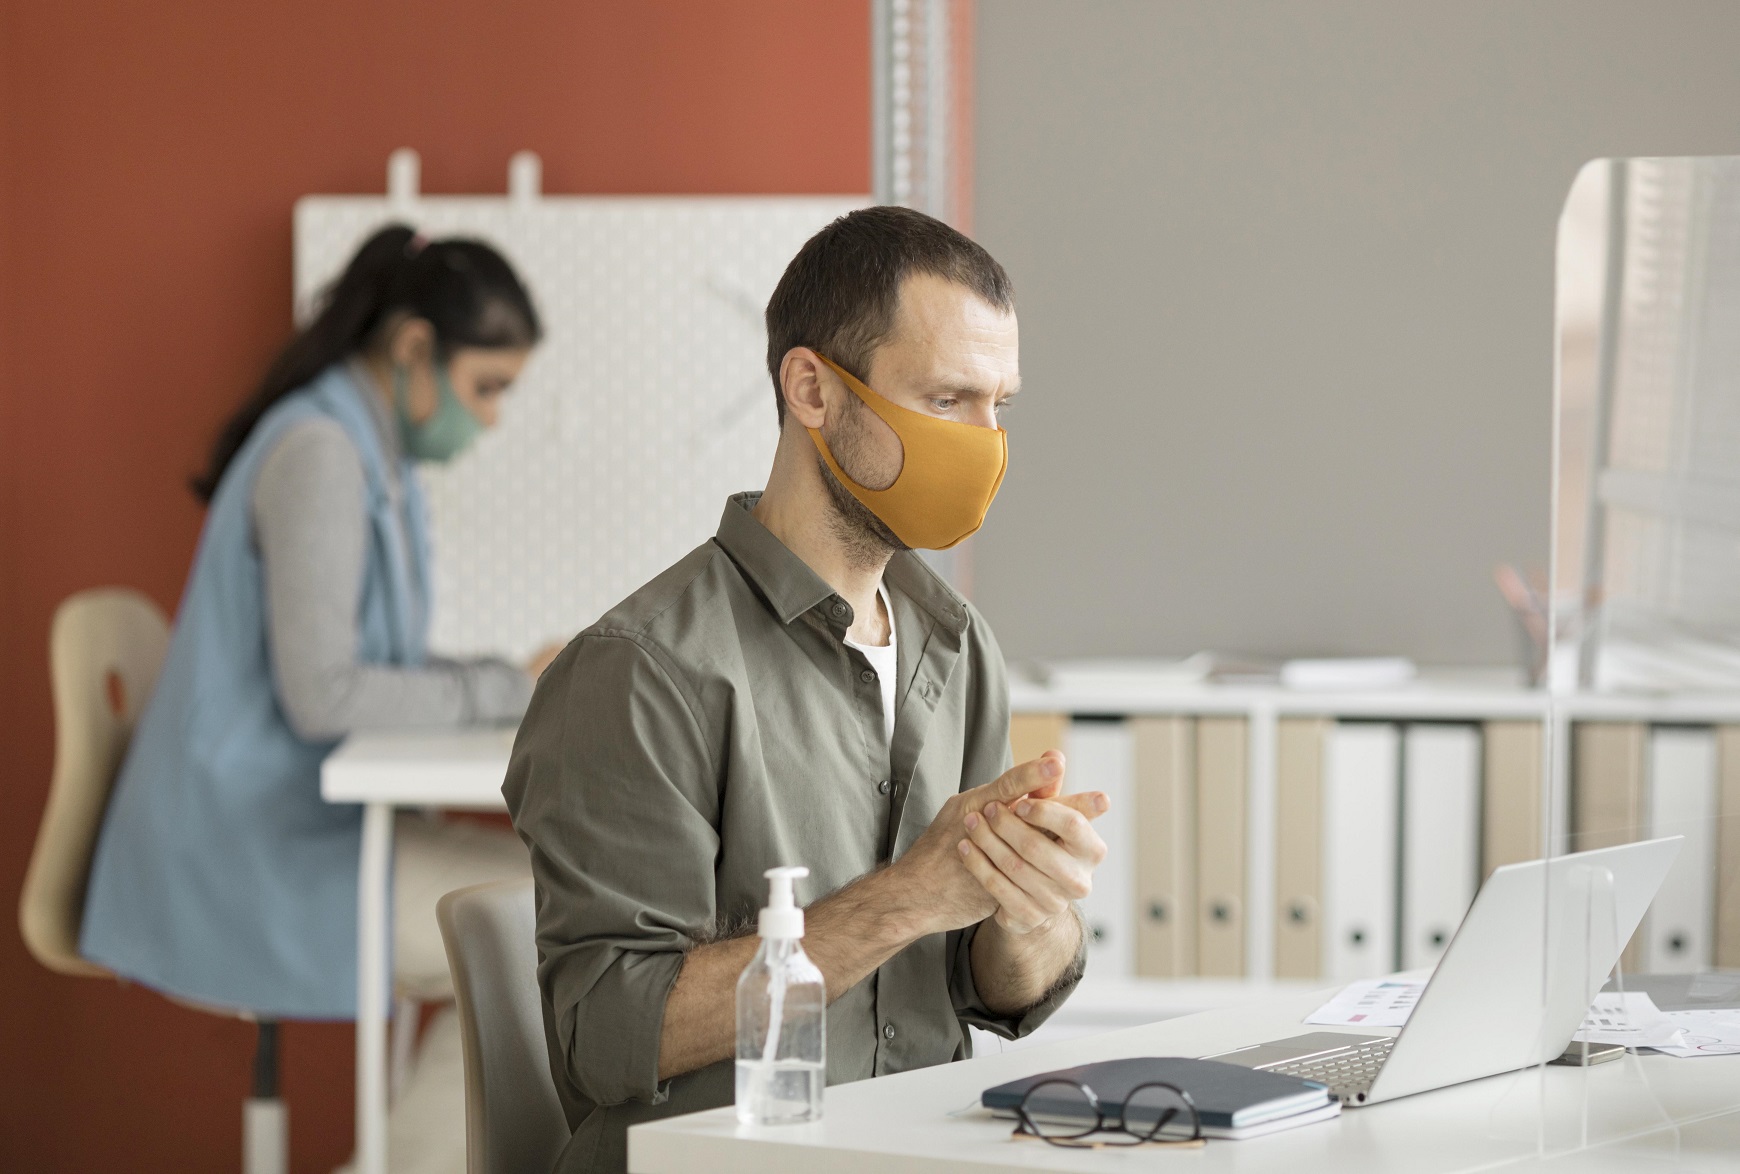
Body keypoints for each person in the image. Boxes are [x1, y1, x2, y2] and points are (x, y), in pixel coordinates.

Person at [505, 206, 1109, 1174]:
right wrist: (906, 898)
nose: (985, 442)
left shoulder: (959, 646)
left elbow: (986, 990)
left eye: (1000, 404)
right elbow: (607, 1034)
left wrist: (1028, 910)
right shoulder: (642, 670)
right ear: (813, 388)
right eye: (947, 399)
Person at [81, 225, 561, 1173]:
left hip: (299, 828)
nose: (493, 418)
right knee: (556, 930)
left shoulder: (373, 453)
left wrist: (509, 680)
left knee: (562, 903)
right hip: (249, 851)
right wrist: (507, 687)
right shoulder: (321, 453)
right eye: (487, 388)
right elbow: (327, 695)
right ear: (415, 348)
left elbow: (378, 663)